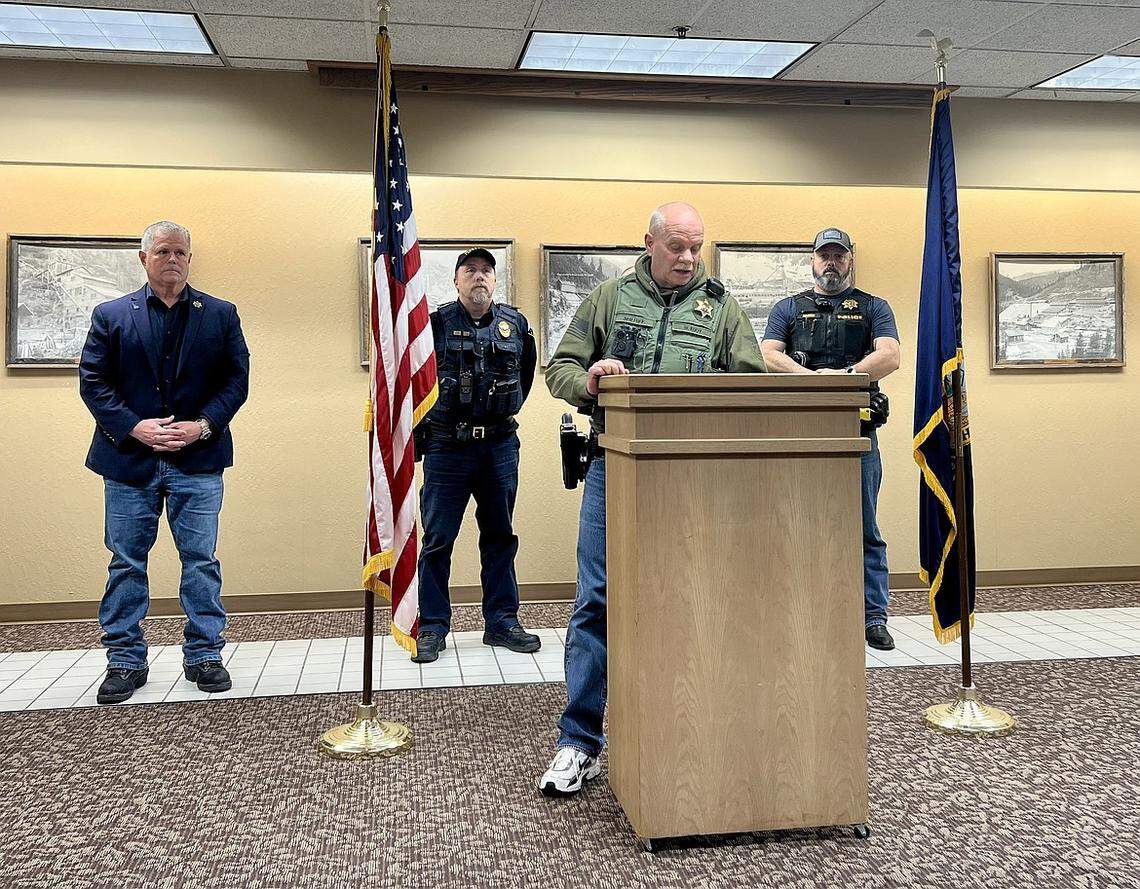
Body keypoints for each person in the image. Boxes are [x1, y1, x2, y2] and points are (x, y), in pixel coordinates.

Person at [538, 202, 767, 796]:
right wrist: (590, 381)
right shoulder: (609, 299)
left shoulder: (722, 308)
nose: (688, 258)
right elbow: (559, 369)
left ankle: (687, 731)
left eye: (696, 247)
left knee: (695, 597)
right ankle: (579, 741)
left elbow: (750, 387)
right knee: (597, 599)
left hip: (696, 478)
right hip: (612, 469)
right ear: (649, 242)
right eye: (676, 246)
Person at [79, 220, 250, 704]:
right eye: (162, 251)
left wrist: (203, 425)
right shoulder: (111, 315)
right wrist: (135, 426)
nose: (172, 259)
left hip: (198, 459)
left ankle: (205, 655)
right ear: (144, 258)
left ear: (189, 259)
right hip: (128, 461)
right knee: (126, 562)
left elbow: (237, 380)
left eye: (179, 252)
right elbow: (93, 381)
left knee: (201, 560)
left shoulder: (220, 314)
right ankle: (125, 661)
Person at [760, 227, 901, 652]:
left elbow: (890, 354)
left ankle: (874, 616)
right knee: (796, 521)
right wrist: (813, 381)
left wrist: (842, 378)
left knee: (864, 527)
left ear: (850, 259)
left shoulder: (874, 307)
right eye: (825, 256)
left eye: (839, 256)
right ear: (813, 261)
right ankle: (801, 606)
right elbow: (768, 355)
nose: (832, 263)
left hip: (857, 431)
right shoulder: (788, 308)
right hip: (799, 433)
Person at [411, 247, 541, 664]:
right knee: (437, 540)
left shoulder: (515, 325)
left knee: (500, 535)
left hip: (498, 445)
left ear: (495, 280)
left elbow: (524, 378)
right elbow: (416, 382)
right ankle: (432, 626)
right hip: (447, 447)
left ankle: (501, 622)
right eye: (470, 270)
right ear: (456, 280)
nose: (479, 276)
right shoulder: (434, 324)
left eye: (487, 270)